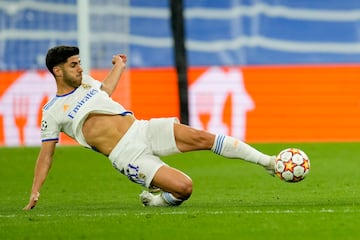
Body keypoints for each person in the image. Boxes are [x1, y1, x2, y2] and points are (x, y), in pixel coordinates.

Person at [23, 45, 276, 210]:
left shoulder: (87, 83)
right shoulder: (52, 112)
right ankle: (156, 201)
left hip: (141, 129)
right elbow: (47, 154)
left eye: (79, 63)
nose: (80, 69)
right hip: (125, 155)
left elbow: (105, 92)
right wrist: (35, 191)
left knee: (202, 137)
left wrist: (118, 67)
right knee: (184, 188)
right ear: (57, 71)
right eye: (73, 65)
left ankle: (269, 163)